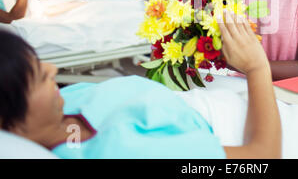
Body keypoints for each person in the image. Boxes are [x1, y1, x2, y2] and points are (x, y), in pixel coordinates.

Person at [0, 10, 281, 159]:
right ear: (10, 123)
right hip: (252, 123)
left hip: (219, 97)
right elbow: (261, 157)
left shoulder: (67, 103)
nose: (52, 68)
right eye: (38, 75)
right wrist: (257, 67)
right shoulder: (121, 152)